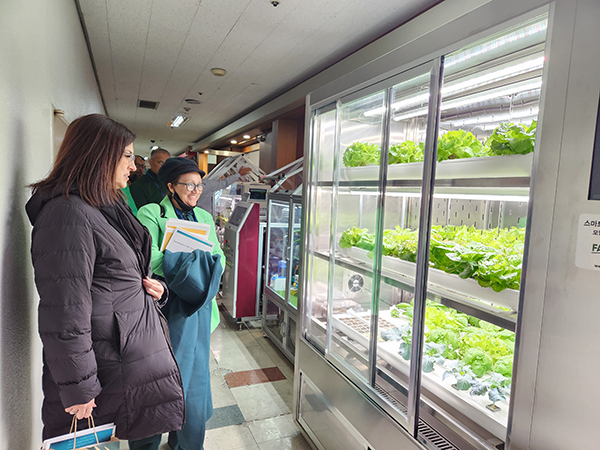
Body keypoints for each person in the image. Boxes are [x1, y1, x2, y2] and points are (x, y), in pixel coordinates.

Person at [25, 114, 185, 443]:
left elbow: (118, 275)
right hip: (101, 370)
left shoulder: (101, 207)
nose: (134, 165)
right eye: (127, 155)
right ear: (100, 155)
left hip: (119, 358)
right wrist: (78, 386)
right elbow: (64, 310)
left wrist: (157, 290)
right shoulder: (67, 215)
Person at [137, 158, 225, 450]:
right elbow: (149, 258)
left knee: (194, 385)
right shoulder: (152, 212)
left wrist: (188, 260)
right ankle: (148, 443)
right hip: (166, 309)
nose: (195, 191)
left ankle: (184, 444)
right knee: (159, 382)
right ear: (171, 186)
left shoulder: (204, 217)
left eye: (199, 185)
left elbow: (219, 259)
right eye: (189, 185)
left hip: (199, 310)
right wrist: (196, 261)